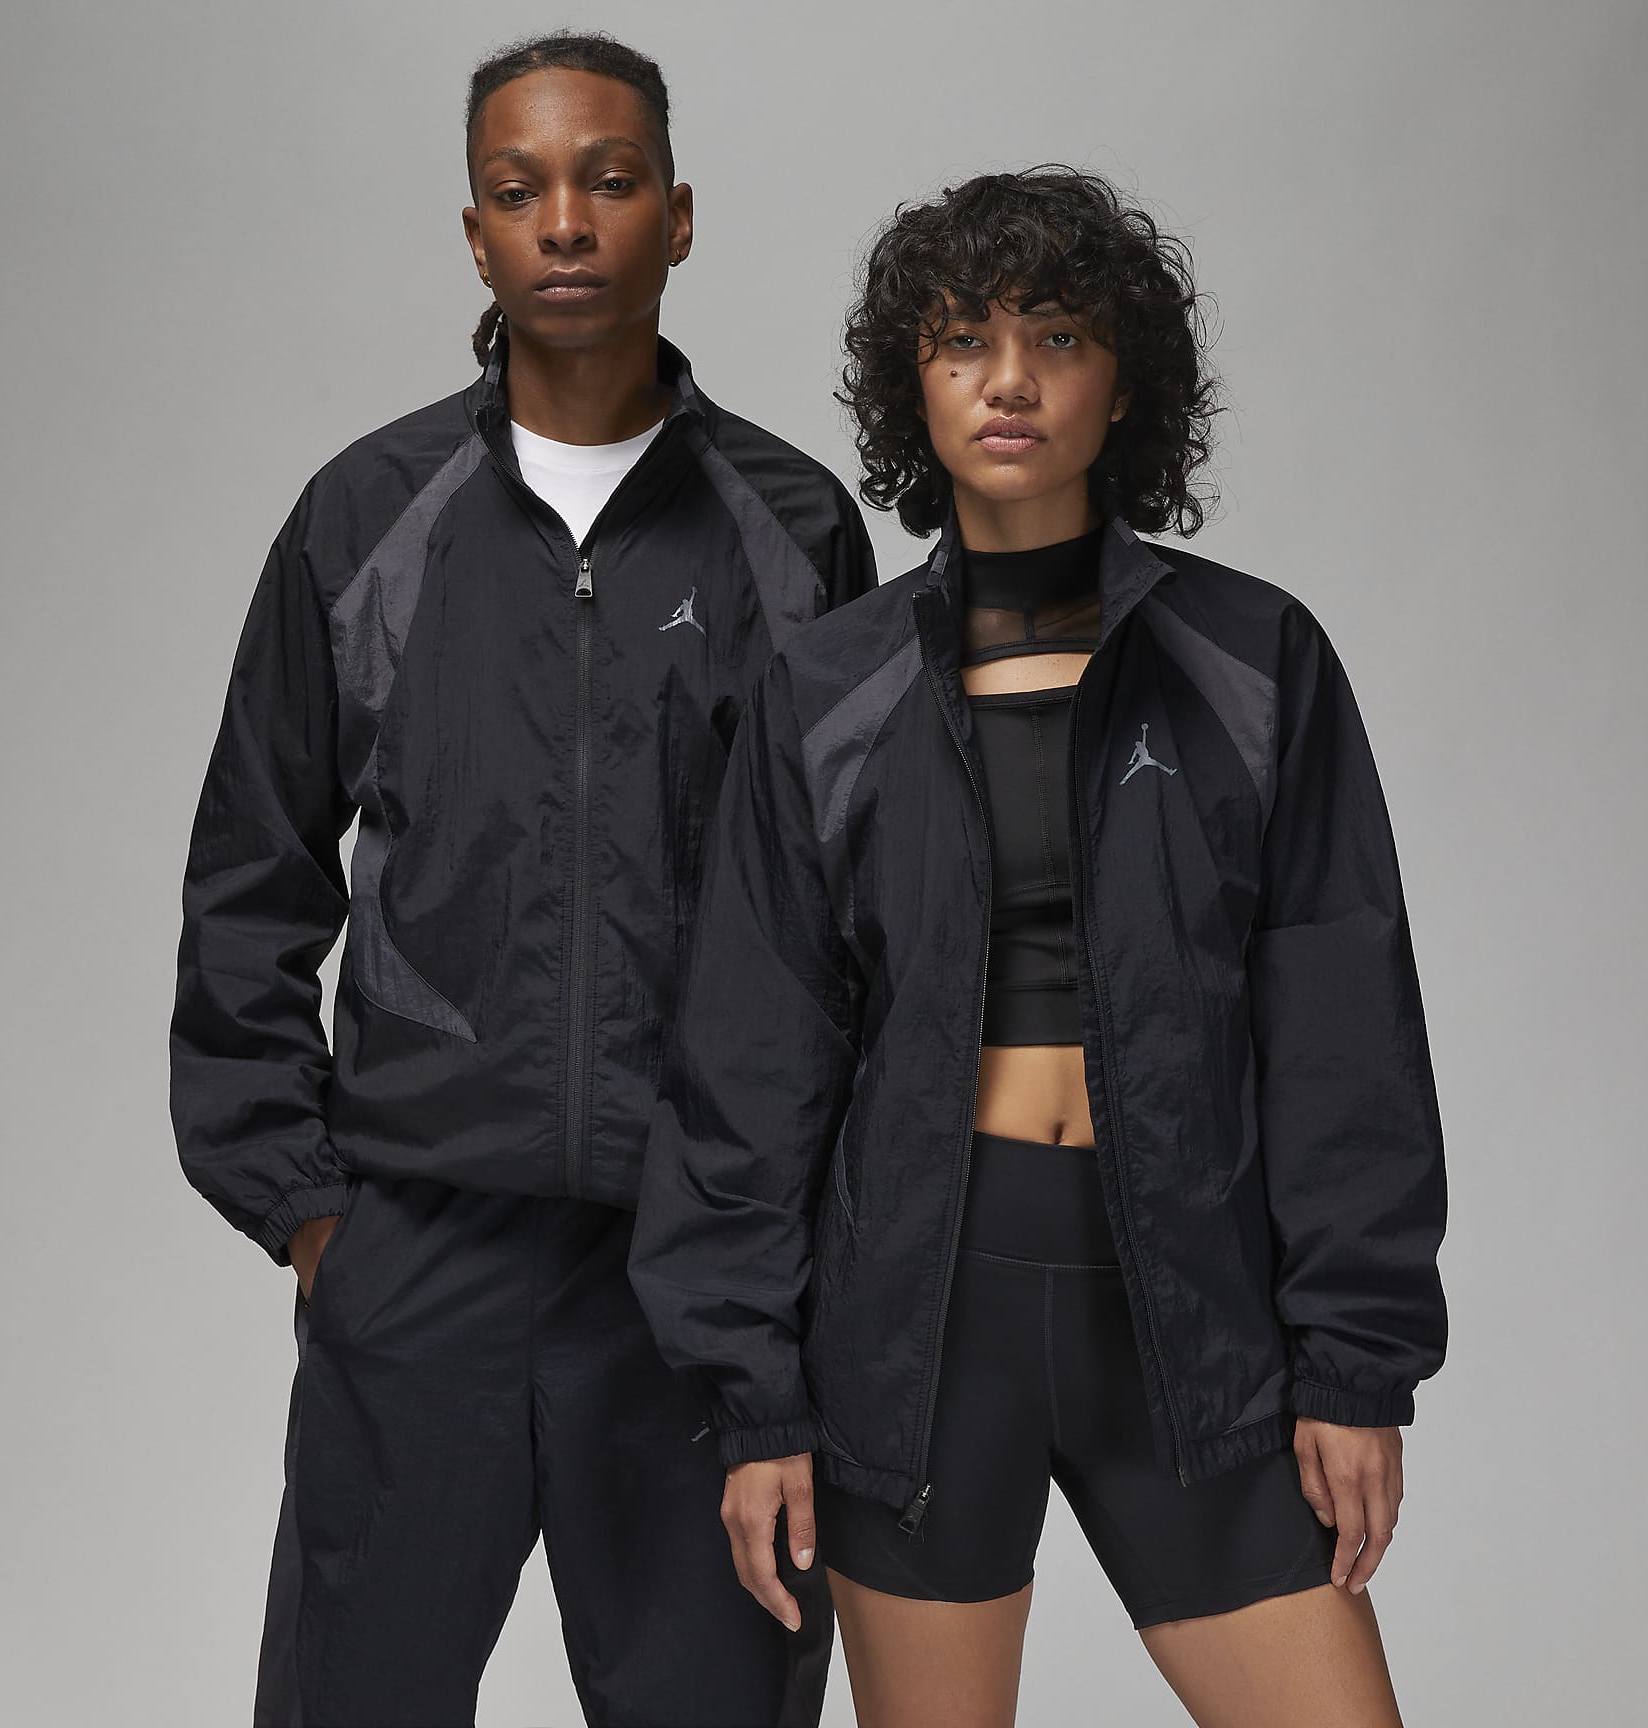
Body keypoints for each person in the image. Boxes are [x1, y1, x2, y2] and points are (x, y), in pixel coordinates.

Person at [629, 167, 1447, 1727]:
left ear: (1121, 382)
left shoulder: (1253, 661)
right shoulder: (829, 691)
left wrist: (1355, 1365)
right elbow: (750, 1059)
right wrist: (754, 1400)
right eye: (963, 341)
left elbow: (1345, 1029)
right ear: (915, 386)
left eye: (1057, 337)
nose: (1008, 379)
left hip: (1190, 1318)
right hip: (922, 1329)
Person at [169, 30, 874, 1727]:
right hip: (420, 1259)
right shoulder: (366, 517)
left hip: (704, 1283)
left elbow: (862, 925)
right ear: (475, 234)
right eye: (520, 187)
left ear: (677, 217)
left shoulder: (793, 532)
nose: (567, 219)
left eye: (610, 180)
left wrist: (805, 1248)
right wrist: (313, 1214)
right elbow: (253, 874)